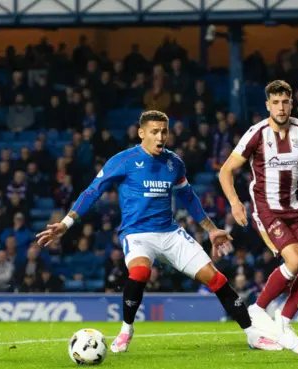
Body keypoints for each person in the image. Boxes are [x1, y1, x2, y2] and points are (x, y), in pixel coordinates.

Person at [36, 110, 280, 352]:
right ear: (141, 133)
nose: (161, 137)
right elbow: (93, 191)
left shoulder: (174, 162)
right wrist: (66, 224)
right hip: (137, 234)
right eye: (154, 132)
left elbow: (188, 196)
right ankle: (126, 329)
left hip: (170, 233)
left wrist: (212, 230)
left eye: (164, 131)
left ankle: (251, 334)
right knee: (140, 272)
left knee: (216, 279)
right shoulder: (123, 160)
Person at [219, 80, 298, 340]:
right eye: (275, 103)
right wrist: (236, 203)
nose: (281, 108)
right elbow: (226, 171)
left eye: (285, 102)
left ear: (291, 103)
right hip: (267, 208)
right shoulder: (256, 133)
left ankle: (283, 321)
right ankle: (258, 309)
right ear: (267, 105)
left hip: (293, 208)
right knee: (295, 260)